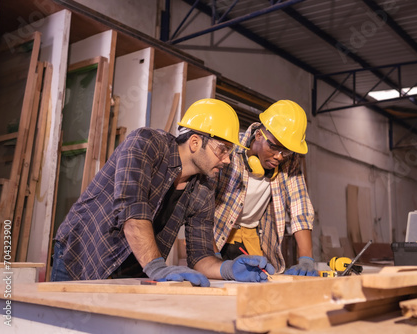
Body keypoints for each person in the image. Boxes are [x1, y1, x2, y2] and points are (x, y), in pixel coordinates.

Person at [51, 98, 275, 286]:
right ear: (195, 142)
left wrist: (228, 269)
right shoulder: (145, 144)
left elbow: (200, 256)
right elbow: (132, 214)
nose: (227, 160)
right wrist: (158, 267)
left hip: (135, 268)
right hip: (82, 254)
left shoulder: (204, 187)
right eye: (222, 150)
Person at [214, 100, 317, 276]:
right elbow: (203, 206)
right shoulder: (230, 147)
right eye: (275, 147)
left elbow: (300, 205)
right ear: (260, 135)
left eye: (286, 151)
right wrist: (211, 257)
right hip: (216, 235)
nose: (279, 156)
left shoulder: (289, 161)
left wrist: (306, 259)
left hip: (251, 238)